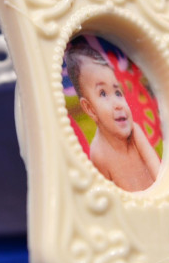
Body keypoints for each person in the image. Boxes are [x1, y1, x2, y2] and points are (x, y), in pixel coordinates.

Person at [65, 41, 161, 192]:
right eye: (103, 93)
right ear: (90, 109)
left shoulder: (135, 132)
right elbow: (108, 194)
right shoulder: (98, 153)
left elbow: (157, 170)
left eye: (117, 92)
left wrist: (163, 193)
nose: (118, 104)